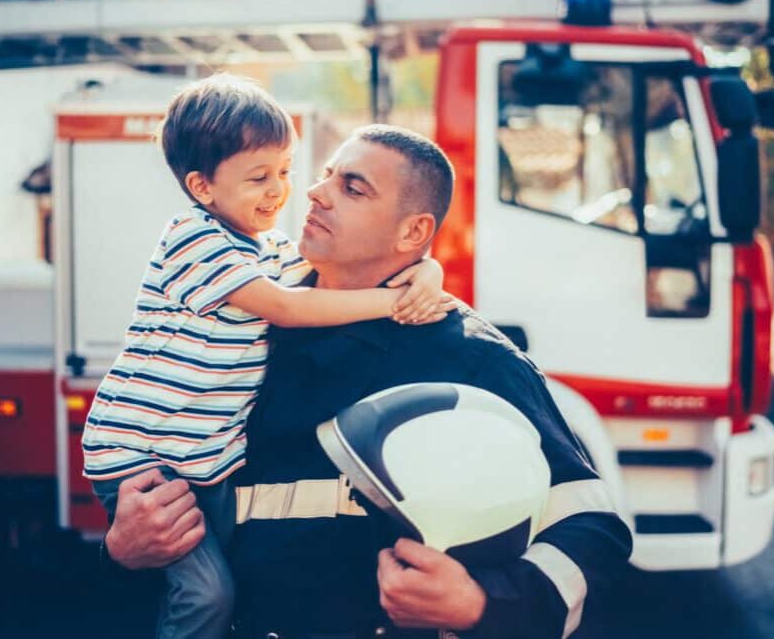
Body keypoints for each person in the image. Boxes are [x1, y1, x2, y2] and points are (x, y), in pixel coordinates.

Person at [101, 124, 634, 639]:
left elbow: (592, 526)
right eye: (326, 174)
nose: (314, 191)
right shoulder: (241, 327)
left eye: (352, 187)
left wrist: (480, 602)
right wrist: (122, 551)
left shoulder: (471, 358)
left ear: (414, 232)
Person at [83, 77, 450, 639]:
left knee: (245, 576)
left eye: (284, 170)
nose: (282, 190)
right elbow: (287, 306)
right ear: (202, 187)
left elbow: (333, 275)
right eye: (259, 177)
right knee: (207, 593)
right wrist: (396, 301)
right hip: (149, 459)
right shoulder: (193, 238)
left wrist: (427, 267)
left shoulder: (267, 247)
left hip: (205, 459)